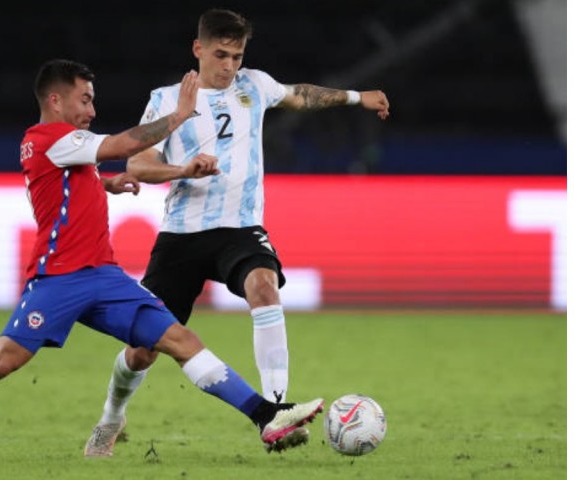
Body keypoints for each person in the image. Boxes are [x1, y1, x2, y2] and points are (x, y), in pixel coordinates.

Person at [0, 59, 324, 464]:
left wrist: (102, 185)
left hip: (104, 276)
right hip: (58, 279)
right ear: (55, 99)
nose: (91, 110)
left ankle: (265, 416)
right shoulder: (50, 136)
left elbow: (64, 184)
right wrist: (180, 115)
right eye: (84, 99)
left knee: (178, 338)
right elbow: (126, 143)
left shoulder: (62, 146)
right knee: (2, 361)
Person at [84, 9, 390, 456]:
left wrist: (356, 96)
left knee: (264, 288)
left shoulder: (254, 85)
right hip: (182, 235)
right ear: (199, 49)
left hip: (241, 229)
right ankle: (111, 419)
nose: (230, 66)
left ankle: (279, 413)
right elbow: (137, 165)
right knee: (143, 350)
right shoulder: (167, 99)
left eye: (238, 56)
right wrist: (183, 169)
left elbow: (299, 96)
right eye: (221, 55)